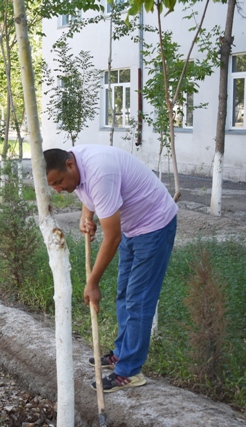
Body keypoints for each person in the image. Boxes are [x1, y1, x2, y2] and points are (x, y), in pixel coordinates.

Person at [44, 145, 178, 393]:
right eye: (53, 186)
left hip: (155, 225)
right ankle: (121, 353)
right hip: (133, 226)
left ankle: (130, 371)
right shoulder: (75, 167)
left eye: (59, 182)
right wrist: (88, 216)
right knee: (124, 293)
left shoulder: (100, 171)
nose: (59, 189)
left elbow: (112, 237)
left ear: (70, 165)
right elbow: (88, 194)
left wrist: (92, 283)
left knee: (138, 300)